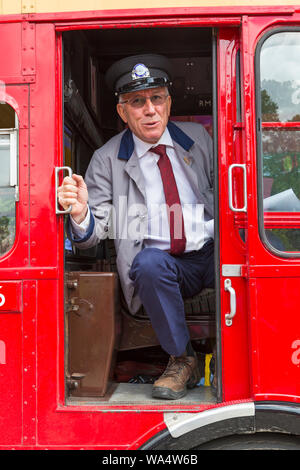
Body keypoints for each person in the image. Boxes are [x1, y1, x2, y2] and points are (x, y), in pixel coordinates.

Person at [58, 54, 214, 400]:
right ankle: (181, 359)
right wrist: (81, 212)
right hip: (164, 267)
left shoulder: (198, 139)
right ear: (122, 112)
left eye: (157, 98)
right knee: (148, 263)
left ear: (169, 102)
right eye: (137, 102)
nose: (150, 110)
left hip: (211, 252)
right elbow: (92, 235)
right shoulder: (107, 159)